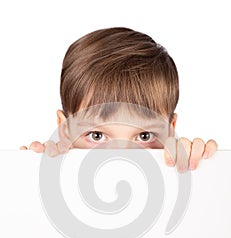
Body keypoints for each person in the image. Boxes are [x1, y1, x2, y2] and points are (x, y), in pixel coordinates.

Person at [20, 27, 218, 173]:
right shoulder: (52, 175)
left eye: (145, 136)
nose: (120, 159)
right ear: (64, 130)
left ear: (170, 128)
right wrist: (25, 174)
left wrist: (204, 165)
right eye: (96, 135)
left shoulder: (176, 177)